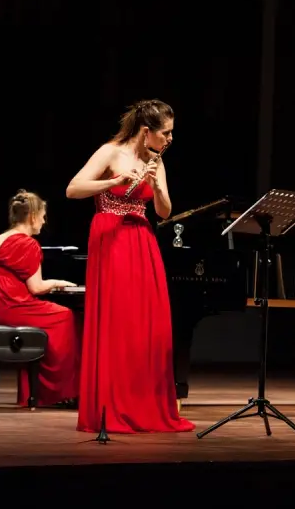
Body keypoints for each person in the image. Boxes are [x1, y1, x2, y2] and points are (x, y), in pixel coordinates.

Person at [66, 99, 195, 434]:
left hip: (142, 240)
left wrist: (156, 186)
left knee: (145, 325)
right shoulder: (110, 152)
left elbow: (164, 212)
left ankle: (142, 404)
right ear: (146, 131)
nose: (170, 139)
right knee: (117, 320)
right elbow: (73, 190)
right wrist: (113, 181)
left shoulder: (156, 160)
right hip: (110, 237)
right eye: (165, 133)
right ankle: (110, 406)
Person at [0, 189, 81, 408]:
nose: (44, 222)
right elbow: (36, 287)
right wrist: (57, 282)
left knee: (51, 319)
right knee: (65, 316)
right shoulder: (28, 244)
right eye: (43, 216)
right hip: (11, 303)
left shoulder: (1, 237)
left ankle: (35, 389)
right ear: (32, 216)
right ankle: (57, 392)